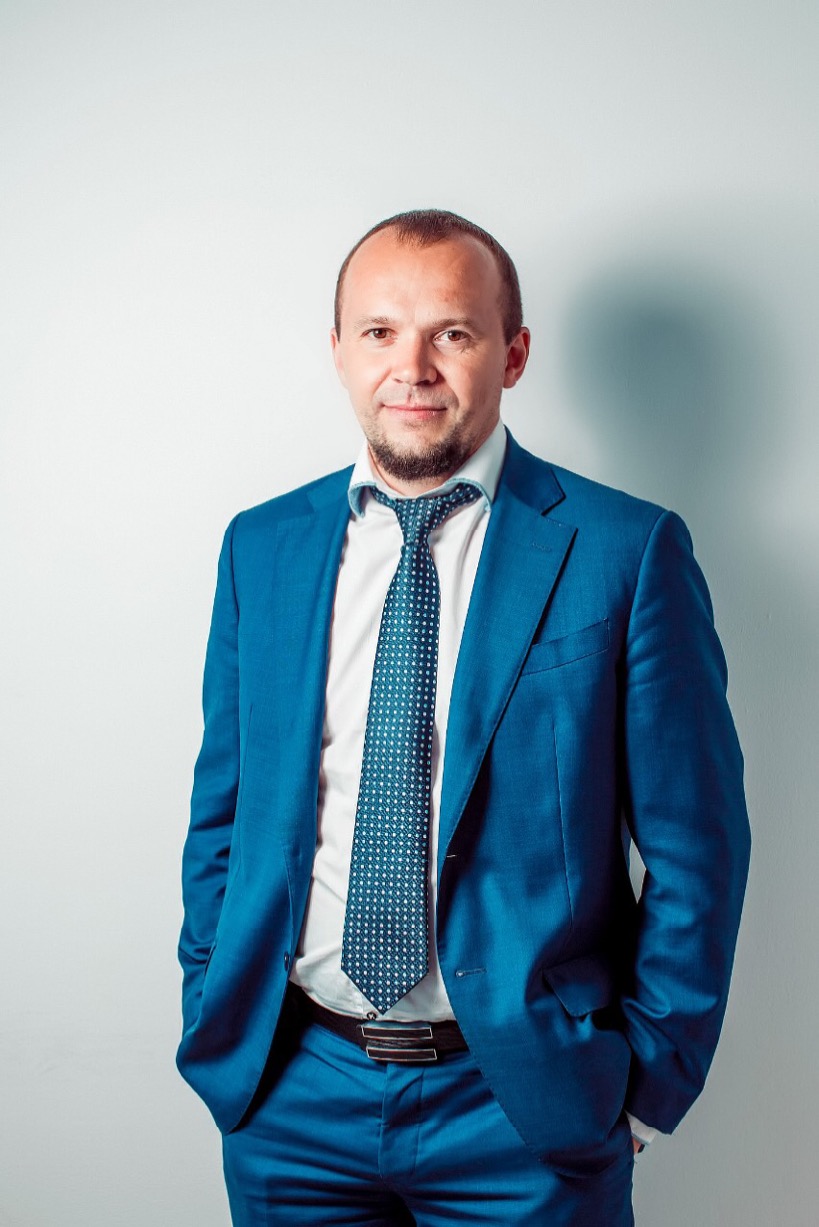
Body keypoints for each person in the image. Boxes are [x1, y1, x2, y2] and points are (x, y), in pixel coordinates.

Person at [177, 209, 751, 1225]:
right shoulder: (261, 548)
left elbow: (696, 847)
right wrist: (212, 1004)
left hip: (526, 1110)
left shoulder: (625, 552)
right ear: (339, 351)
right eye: (380, 332)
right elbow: (223, 813)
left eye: (452, 332)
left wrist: (644, 1090)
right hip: (291, 1094)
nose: (413, 368)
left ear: (512, 354)